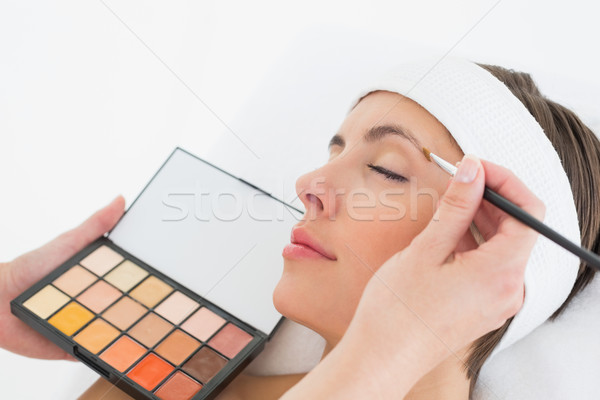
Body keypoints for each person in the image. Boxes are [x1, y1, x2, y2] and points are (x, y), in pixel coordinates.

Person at [1, 60, 598, 399]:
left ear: (485, 256)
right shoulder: (170, 384)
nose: (309, 181)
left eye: (386, 169)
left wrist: (395, 345)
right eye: (331, 150)